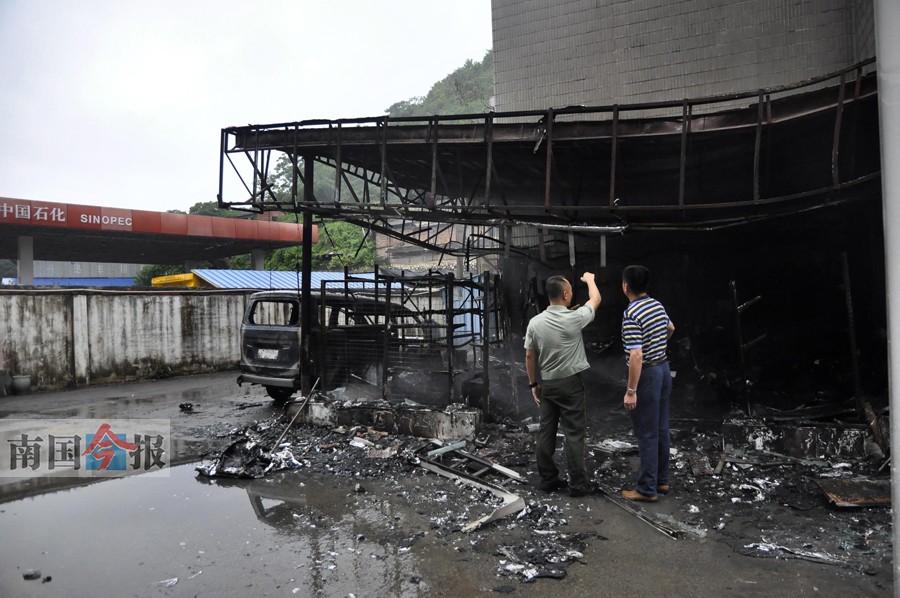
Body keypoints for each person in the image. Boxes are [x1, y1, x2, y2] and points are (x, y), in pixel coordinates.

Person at [524, 272, 602, 497]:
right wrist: (590, 280)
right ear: (566, 294)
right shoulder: (575, 318)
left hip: (548, 383)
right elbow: (595, 300)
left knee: (546, 430)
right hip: (570, 384)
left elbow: (530, 356)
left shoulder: (535, 323)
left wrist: (533, 385)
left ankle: (548, 479)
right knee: (574, 434)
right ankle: (577, 485)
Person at [620, 265, 675, 502]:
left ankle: (646, 489)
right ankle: (662, 481)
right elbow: (670, 328)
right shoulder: (657, 305)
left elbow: (636, 356)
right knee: (661, 428)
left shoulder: (632, 313)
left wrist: (631, 390)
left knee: (647, 432)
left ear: (625, 286)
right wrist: (658, 344)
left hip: (649, 375)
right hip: (663, 368)